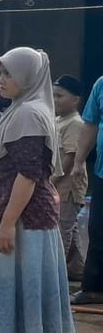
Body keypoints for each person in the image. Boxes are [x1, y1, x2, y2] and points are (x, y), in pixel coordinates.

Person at [0, 48, 78, 333]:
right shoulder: (28, 108)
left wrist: (6, 224)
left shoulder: (28, 113)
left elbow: (28, 173)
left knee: (16, 284)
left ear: (29, 77)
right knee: (41, 281)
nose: (0, 81)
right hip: (31, 216)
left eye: (8, 74)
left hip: (20, 217)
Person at [53, 75, 87, 281]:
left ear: (76, 100)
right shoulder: (58, 120)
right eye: (53, 95)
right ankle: (77, 269)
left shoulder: (75, 123)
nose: (55, 100)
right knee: (68, 225)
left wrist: (53, 180)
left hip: (68, 184)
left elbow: (70, 156)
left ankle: (56, 272)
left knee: (61, 228)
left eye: (60, 96)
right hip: (58, 181)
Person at [73, 74, 103, 304]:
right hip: (102, 171)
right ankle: (94, 288)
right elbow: (90, 124)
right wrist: (79, 161)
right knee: (98, 229)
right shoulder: (101, 84)